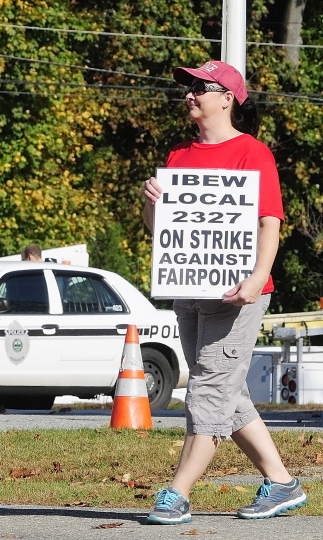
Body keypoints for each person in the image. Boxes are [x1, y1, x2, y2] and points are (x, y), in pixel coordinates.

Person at [142, 60, 305, 524]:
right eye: (189, 87)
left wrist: (256, 278)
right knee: (225, 390)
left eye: (200, 87)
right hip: (190, 291)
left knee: (208, 390)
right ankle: (282, 483)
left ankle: (177, 493)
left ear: (227, 98)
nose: (190, 94)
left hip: (238, 295)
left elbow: (269, 224)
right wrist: (150, 204)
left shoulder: (253, 153)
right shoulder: (178, 155)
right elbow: (159, 231)